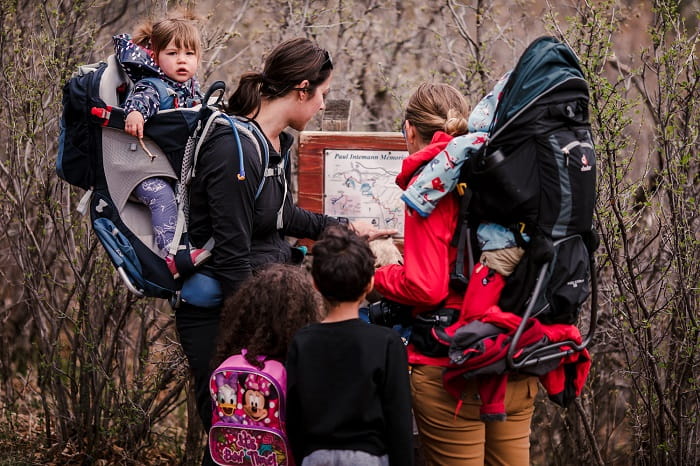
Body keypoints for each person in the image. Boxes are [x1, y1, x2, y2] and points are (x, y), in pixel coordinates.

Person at [176, 37, 394, 465]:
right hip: (222, 313)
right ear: (302, 89)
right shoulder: (232, 148)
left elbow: (282, 215)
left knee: (264, 437)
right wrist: (256, 337)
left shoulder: (272, 144)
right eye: (322, 95)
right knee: (233, 432)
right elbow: (233, 254)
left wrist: (348, 228)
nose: (320, 107)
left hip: (259, 307)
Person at [373, 82, 538, 465]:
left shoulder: (430, 181)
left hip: (451, 371)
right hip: (511, 355)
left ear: (410, 131)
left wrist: (378, 276)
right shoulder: (498, 170)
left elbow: (427, 287)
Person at [286, 225, 414, 466]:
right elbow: (399, 421)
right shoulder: (386, 343)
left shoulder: (302, 341)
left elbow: (294, 415)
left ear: (316, 284)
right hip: (371, 457)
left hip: (316, 455)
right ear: (369, 284)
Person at [114, 11, 209, 278]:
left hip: (168, 166)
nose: (182, 60)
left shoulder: (191, 88)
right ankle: (171, 255)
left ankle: (190, 245)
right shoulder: (154, 86)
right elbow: (141, 100)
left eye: (189, 54)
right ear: (155, 57)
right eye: (172, 53)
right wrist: (134, 114)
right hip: (139, 171)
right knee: (162, 195)